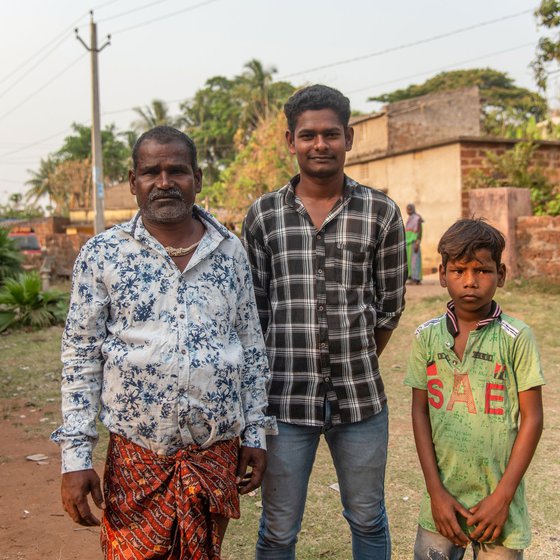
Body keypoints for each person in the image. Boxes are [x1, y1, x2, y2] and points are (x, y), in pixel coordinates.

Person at [51, 126, 276, 560]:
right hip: (138, 456)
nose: (165, 181)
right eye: (151, 171)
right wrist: (75, 458)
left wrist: (256, 432)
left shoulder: (230, 252)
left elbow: (249, 345)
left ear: (198, 177)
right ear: (133, 181)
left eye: (177, 170)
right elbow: (80, 357)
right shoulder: (103, 255)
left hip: (216, 452)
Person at [242, 84, 407, 559]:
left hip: (361, 405)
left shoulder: (381, 212)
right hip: (284, 404)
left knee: (368, 520)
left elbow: (389, 308)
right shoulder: (263, 216)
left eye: (330, 134)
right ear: (290, 141)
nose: (320, 145)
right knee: (277, 530)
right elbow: (256, 313)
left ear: (349, 138)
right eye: (308, 135)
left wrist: (351, 357)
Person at [404, 218, 544, 559]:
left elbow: (533, 419)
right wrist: (435, 493)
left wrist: (502, 498)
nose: (470, 281)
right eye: (459, 270)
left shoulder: (516, 337)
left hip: (499, 507)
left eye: (482, 270)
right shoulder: (426, 337)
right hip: (441, 503)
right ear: (441, 274)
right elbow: (419, 412)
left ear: (502, 274)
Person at [405, 203, 423, 285]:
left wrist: (417, 242)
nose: (408, 211)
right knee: (409, 261)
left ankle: (416, 278)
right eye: (407, 209)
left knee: (415, 261)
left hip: (414, 242)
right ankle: (412, 277)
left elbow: (419, 231)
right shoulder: (410, 218)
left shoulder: (417, 218)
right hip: (408, 242)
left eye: (410, 209)